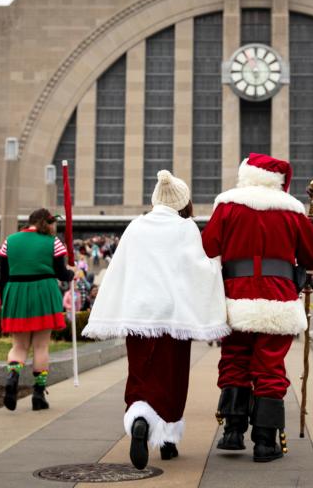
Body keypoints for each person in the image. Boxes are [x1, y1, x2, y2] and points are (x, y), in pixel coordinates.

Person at [82, 170, 229, 470]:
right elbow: (201, 269)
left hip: (139, 314)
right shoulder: (186, 229)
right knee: (173, 375)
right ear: (184, 202)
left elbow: (120, 269)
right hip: (174, 315)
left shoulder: (136, 227)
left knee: (140, 371)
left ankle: (139, 418)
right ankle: (168, 439)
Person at [202, 153, 313, 463]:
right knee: (270, 367)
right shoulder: (293, 211)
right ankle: (264, 442)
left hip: (235, 298)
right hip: (278, 299)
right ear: (280, 181)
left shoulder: (227, 206)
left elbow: (207, 249)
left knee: (234, 360)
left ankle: (232, 432)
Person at [0, 208, 75, 412]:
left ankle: (12, 378)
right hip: (43, 291)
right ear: (47, 223)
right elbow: (61, 273)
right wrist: (71, 273)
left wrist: (5, 299)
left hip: (16, 291)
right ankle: (38, 394)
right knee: (41, 346)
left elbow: (3, 275)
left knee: (19, 346)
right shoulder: (54, 242)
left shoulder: (10, 241)